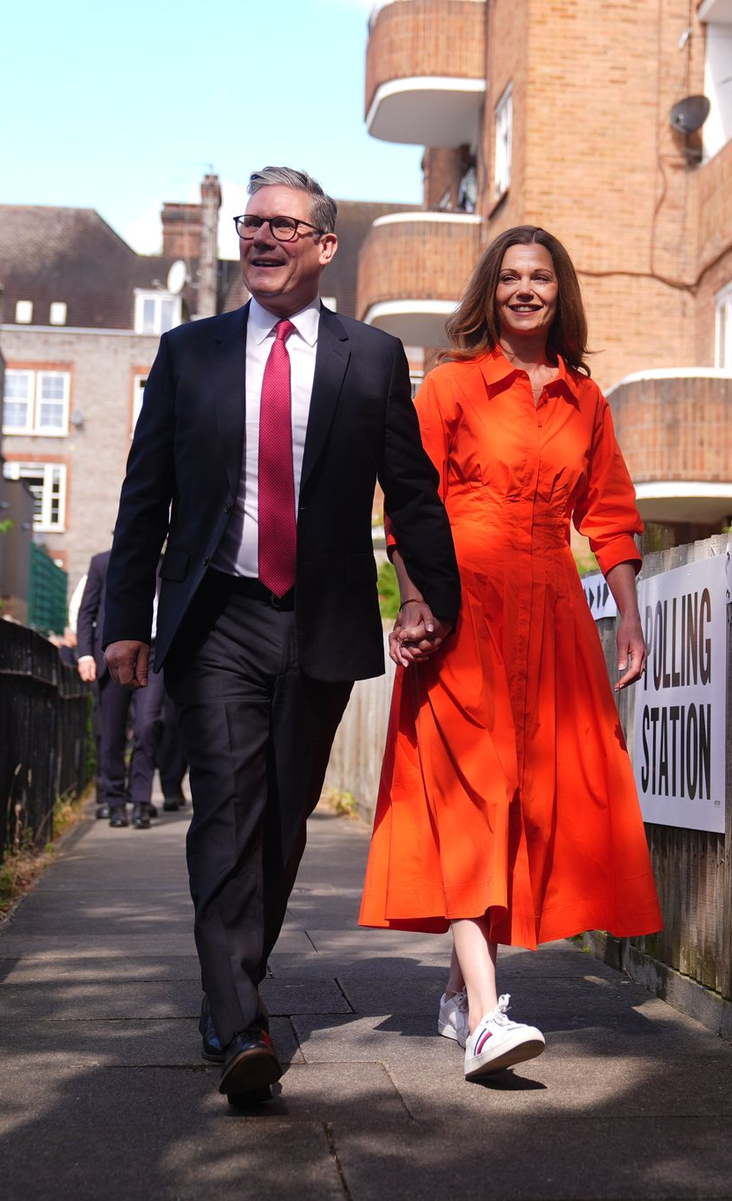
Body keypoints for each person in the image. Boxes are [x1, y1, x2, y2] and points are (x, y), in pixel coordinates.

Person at [103, 167, 459, 1106]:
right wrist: (126, 623)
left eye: (283, 226)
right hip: (216, 613)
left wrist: (435, 601)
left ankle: (234, 986)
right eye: (250, 223)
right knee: (226, 807)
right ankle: (241, 1022)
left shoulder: (371, 358)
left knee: (284, 817)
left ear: (325, 246)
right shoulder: (189, 353)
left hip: (321, 618)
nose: (260, 238)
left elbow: (412, 490)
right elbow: (145, 497)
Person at [359, 226, 662, 1081]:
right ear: (489, 294)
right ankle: (488, 1019)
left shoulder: (585, 398)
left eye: (540, 278)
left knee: (524, 798)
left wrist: (629, 618)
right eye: (510, 277)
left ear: (560, 293)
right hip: (464, 611)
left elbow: (609, 513)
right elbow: (407, 503)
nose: (525, 289)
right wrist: (416, 599)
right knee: (472, 796)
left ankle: (459, 996)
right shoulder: (450, 385)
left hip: (554, 616)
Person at [76, 548, 162, 829]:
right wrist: (85, 655)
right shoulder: (101, 562)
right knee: (111, 731)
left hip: (153, 654)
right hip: (113, 653)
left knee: (147, 725)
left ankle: (140, 801)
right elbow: (87, 611)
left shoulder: (163, 562)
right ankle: (114, 801)